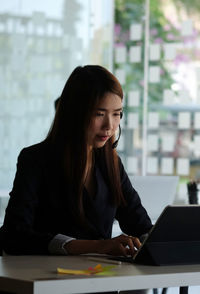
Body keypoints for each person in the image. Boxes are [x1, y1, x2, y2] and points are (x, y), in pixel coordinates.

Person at [1, 65, 152, 292]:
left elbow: (140, 225)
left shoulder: (111, 163)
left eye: (117, 114)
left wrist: (162, 240)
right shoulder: (36, 160)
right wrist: (99, 246)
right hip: (47, 284)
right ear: (75, 112)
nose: (109, 126)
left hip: (98, 284)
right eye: (99, 114)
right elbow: (14, 235)